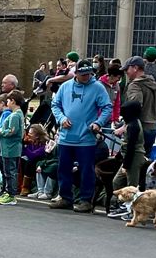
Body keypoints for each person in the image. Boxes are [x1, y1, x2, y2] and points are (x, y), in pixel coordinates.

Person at [48, 60, 112, 212]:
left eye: (89, 74)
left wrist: (98, 122)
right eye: (83, 74)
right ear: (76, 73)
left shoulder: (97, 87)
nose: (86, 77)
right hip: (66, 136)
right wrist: (61, 119)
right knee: (63, 169)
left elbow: (107, 107)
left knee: (86, 170)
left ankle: (86, 200)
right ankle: (65, 198)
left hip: (86, 137)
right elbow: (55, 105)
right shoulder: (65, 86)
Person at [118, 56, 156, 155]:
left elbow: (134, 108)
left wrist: (125, 126)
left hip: (138, 130)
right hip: (152, 128)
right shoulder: (154, 84)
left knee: (132, 163)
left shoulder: (135, 85)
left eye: (127, 69)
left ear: (135, 68)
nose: (126, 73)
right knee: (144, 163)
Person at [0, 90, 26, 205]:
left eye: (8, 100)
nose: (7, 102)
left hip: (10, 148)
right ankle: (7, 191)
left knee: (10, 171)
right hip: (9, 147)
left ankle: (11, 194)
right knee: (8, 170)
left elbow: (12, 131)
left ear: (12, 101)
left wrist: (0, 133)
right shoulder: (18, 114)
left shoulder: (15, 116)